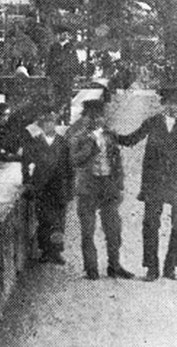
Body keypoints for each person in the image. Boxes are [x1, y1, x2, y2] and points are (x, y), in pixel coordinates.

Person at [115, 86, 177, 281]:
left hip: (175, 182)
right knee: (151, 224)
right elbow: (131, 139)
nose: (173, 107)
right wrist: (112, 136)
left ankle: (170, 267)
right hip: (154, 182)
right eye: (170, 103)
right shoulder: (153, 122)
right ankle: (152, 267)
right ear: (163, 104)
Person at [70, 98, 133, 280]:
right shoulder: (78, 137)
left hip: (108, 186)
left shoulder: (110, 135)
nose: (97, 119)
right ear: (86, 118)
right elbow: (74, 161)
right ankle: (92, 269)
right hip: (88, 187)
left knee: (114, 229)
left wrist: (119, 185)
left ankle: (114, 266)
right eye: (92, 116)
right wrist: (90, 147)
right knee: (88, 231)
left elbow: (118, 162)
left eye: (99, 116)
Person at [22, 105, 72, 264]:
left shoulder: (63, 143)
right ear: (42, 125)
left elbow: (70, 168)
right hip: (42, 187)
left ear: (55, 124)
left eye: (51, 122)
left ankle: (56, 252)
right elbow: (26, 164)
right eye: (46, 123)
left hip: (59, 188)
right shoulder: (35, 142)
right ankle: (45, 250)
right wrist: (28, 183)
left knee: (58, 222)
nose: (49, 125)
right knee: (43, 220)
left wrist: (70, 189)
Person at [46, 29, 81, 125]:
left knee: (66, 99)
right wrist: (48, 74)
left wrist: (75, 74)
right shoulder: (54, 47)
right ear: (59, 35)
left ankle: (66, 119)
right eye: (62, 34)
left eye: (66, 34)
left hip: (67, 77)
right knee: (57, 99)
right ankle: (57, 120)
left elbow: (75, 62)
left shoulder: (70, 47)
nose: (64, 36)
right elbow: (49, 61)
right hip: (56, 77)